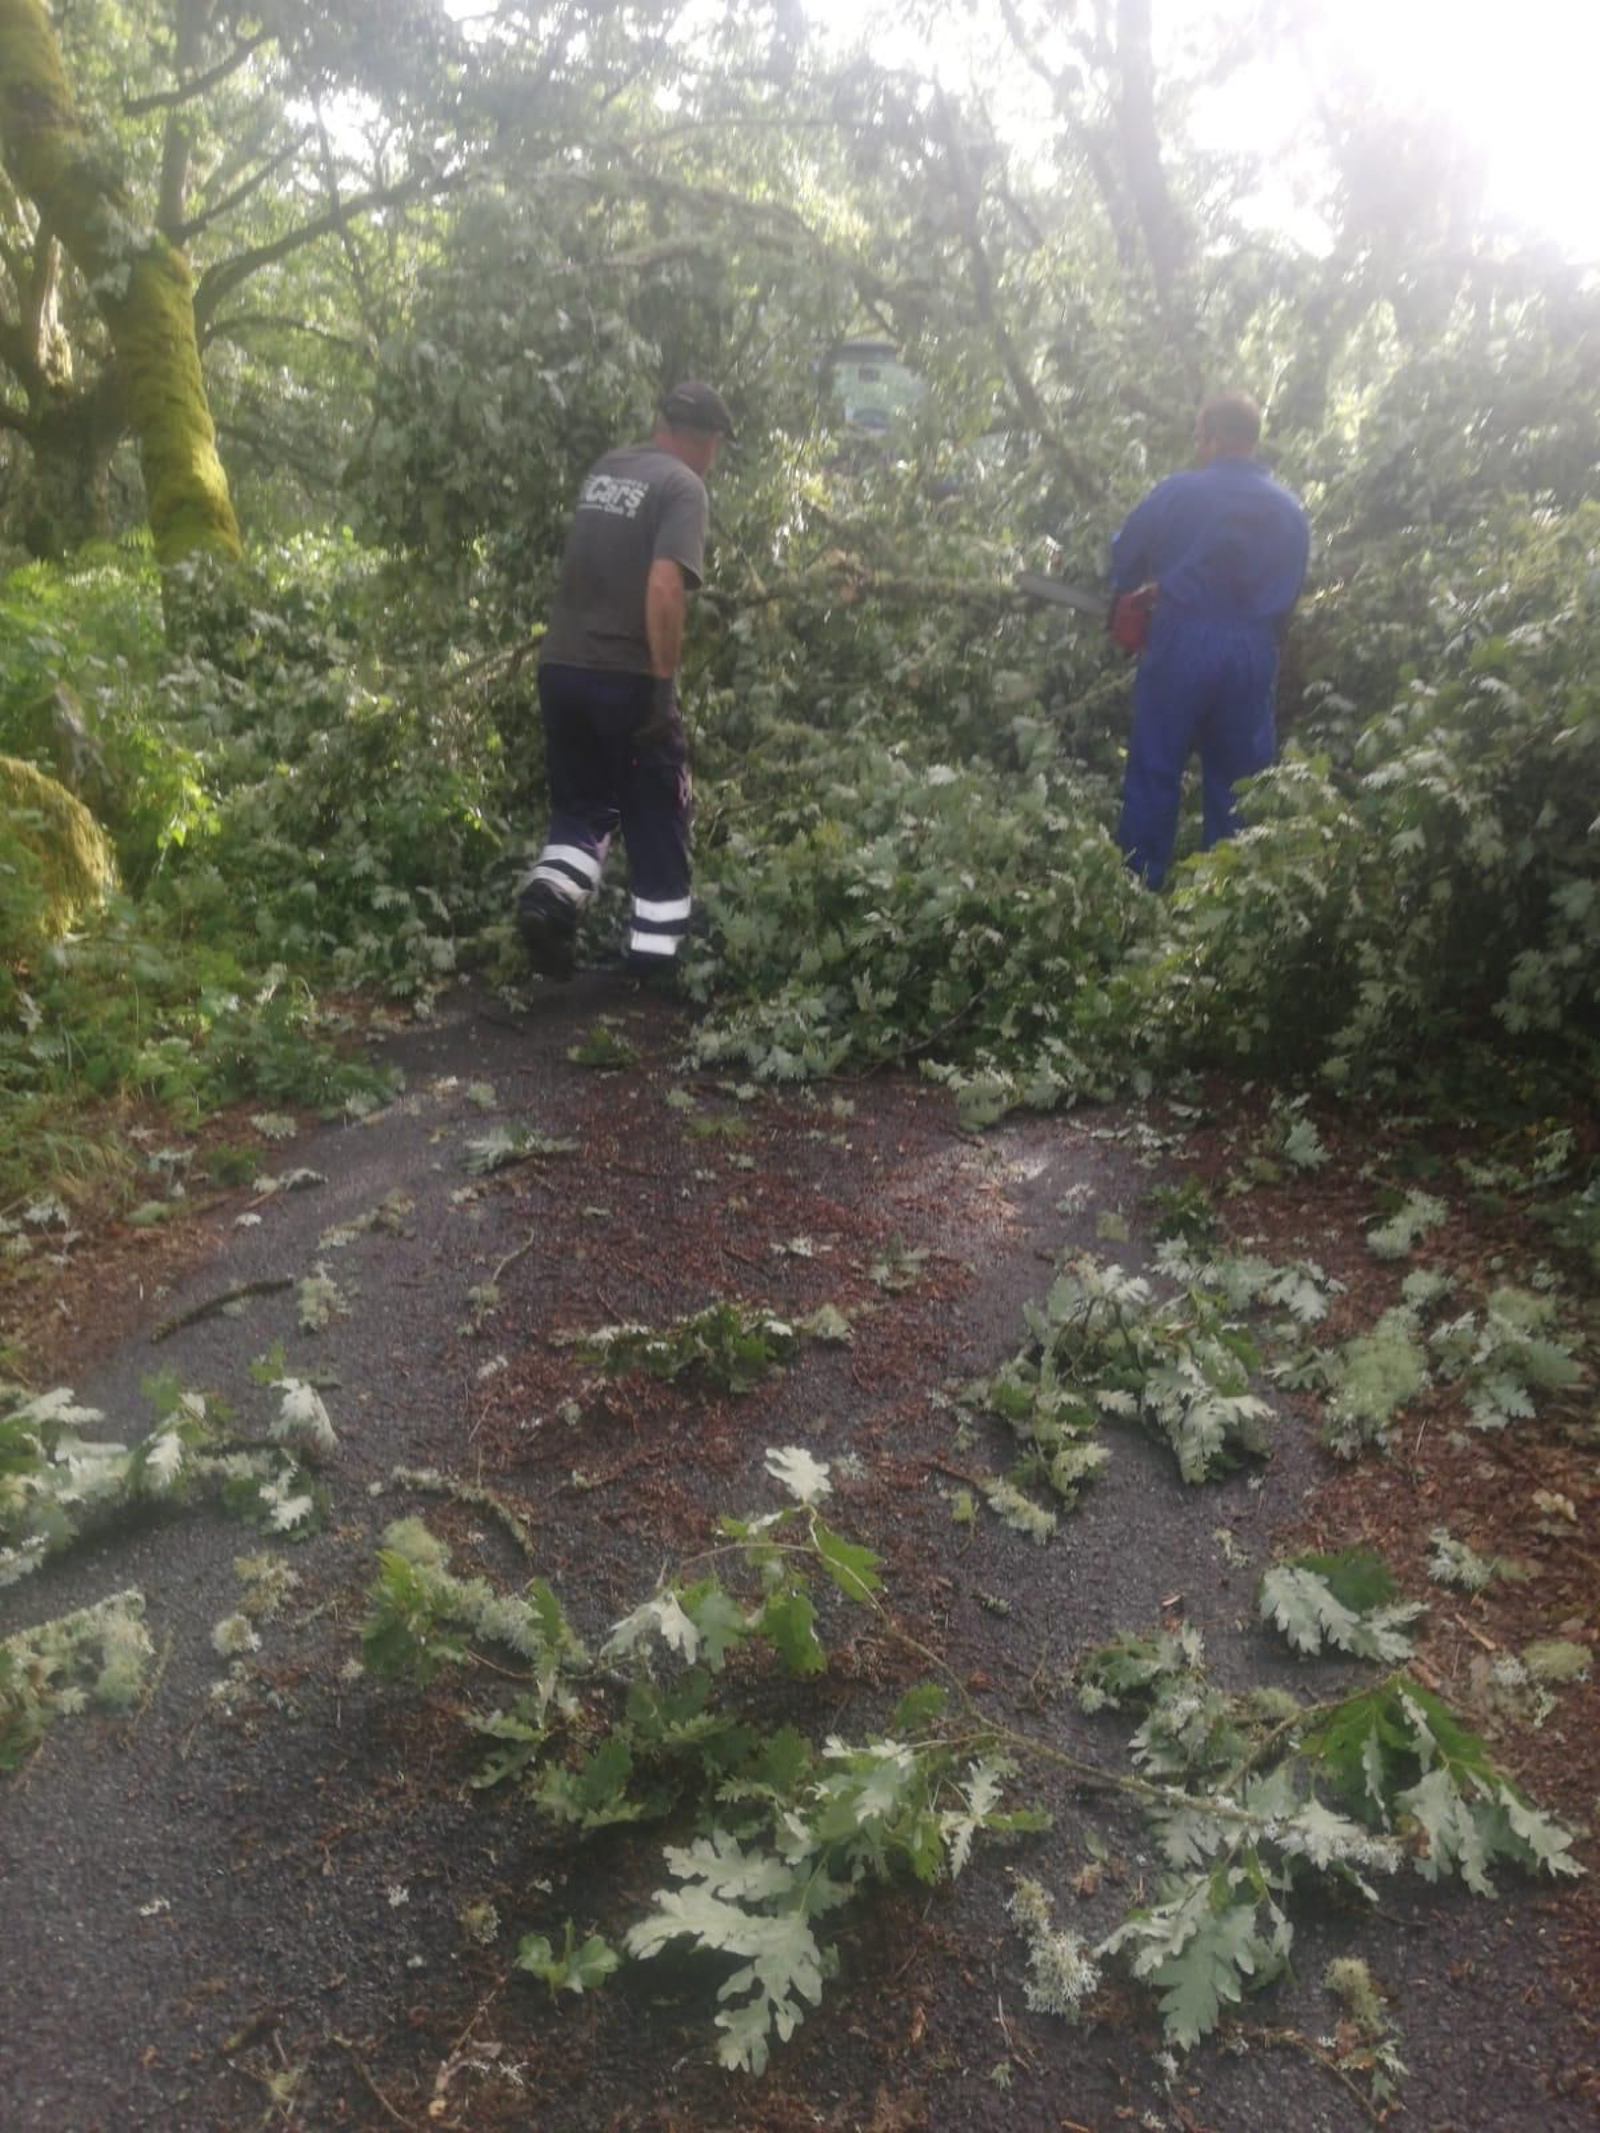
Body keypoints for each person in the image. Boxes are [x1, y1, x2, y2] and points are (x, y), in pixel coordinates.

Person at [517, 380, 736, 981]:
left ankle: (548, 902)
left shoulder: (608, 469)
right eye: (717, 444)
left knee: (583, 809)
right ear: (706, 438)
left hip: (561, 666)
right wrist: (662, 689)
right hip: (625, 674)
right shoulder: (682, 486)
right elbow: (664, 586)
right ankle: (654, 963)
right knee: (658, 807)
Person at [1109, 390, 1309, 889]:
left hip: (1182, 639)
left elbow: (1123, 559)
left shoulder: (1177, 493)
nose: (1198, 448)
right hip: (1252, 649)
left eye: (1201, 437)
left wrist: (1147, 586)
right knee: (1240, 781)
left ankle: (1138, 892)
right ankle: (1225, 904)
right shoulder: (1290, 509)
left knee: (1156, 766)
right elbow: (1287, 594)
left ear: (1217, 439)